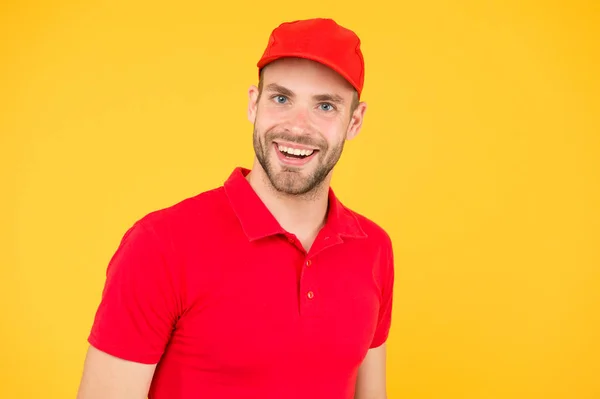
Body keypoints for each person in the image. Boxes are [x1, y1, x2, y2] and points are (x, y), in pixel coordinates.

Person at [76, 17, 395, 399]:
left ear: (354, 121)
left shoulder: (373, 249)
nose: (297, 126)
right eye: (281, 99)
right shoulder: (160, 245)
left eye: (325, 106)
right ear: (253, 104)